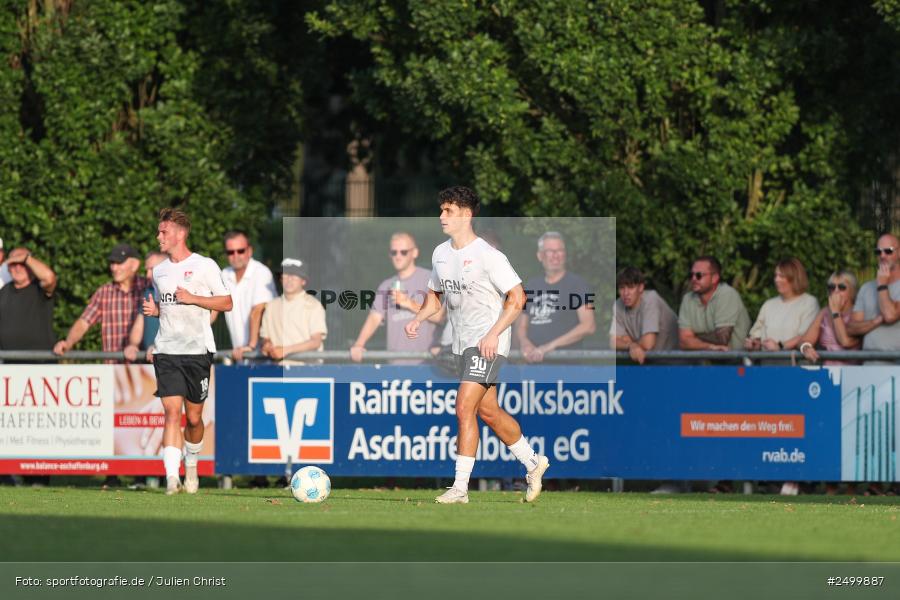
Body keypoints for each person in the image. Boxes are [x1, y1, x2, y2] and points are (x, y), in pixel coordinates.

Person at [406, 186, 549, 504]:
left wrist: (494, 333)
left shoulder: (488, 255)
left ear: (466, 215)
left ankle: (459, 488)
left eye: (449, 211)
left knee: (463, 407)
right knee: (489, 412)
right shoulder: (440, 254)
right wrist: (418, 318)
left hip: (486, 343)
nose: (442, 216)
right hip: (462, 343)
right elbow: (435, 298)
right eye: (441, 210)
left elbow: (518, 297)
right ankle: (533, 463)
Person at [142, 208, 232, 495]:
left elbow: (226, 303)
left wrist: (193, 298)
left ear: (180, 234)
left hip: (197, 351)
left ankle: (191, 462)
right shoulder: (159, 271)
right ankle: (171, 478)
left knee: (194, 419)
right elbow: (169, 307)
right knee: (170, 413)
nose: (159, 236)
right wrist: (156, 311)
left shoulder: (205, 265)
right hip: (167, 350)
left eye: (163, 231)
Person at [350, 233, 439, 364]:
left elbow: (440, 317)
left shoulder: (429, 279)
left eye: (403, 252)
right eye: (394, 252)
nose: (398, 256)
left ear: (414, 253)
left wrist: (408, 303)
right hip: (395, 367)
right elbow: (374, 318)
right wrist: (359, 344)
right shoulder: (386, 285)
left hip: (427, 365)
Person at [54, 243, 150, 357]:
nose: (114, 268)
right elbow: (84, 322)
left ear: (135, 265)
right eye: (112, 263)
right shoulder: (104, 292)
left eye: (119, 263)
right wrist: (68, 343)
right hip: (113, 368)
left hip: (145, 368)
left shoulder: (149, 288)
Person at [516, 232, 596, 362]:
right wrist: (525, 343)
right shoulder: (530, 286)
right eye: (550, 251)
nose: (556, 256)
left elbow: (589, 326)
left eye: (560, 250)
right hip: (534, 368)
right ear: (540, 256)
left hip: (566, 369)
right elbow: (521, 326)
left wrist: (548, 347)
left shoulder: (578, 284)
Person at [219, 230, 277, 361]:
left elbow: (258, 310)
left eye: (240, 251)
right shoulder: (224, 274)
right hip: (242, 355)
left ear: (249, 251)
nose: (235, 255)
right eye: (230, 252)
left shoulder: (261, 272)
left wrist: (251, 346)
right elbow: (213, 309)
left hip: (265, 355)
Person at [744, 258, 819, 355]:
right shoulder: (768, 304)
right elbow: (756, 335)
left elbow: (806, 335)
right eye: (775, 275)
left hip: (794, 366)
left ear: (794, 278)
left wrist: (780, 346)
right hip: (768, 366)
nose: (776, 279)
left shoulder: (809, 303)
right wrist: (754, 344)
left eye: (781, 276)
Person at [260, 258, 327, 364]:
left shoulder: (314, 305)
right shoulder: (271, 306)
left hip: (307, 372)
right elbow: (265, 337)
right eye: (285, 275)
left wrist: (285, 350)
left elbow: (316, 341)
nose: (289, 279)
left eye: (294, 275)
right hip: (277, 371)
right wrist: (267, 344)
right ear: (280, 279)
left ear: (304, 281)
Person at [678, 256, 751, 352]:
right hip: (704, 359)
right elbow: (683, 342)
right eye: (691, 275)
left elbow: (722, 339)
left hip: (735, 360)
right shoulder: (687, 299)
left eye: (699, 275)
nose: (694, 279)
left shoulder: (727, 294)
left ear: (715, 278)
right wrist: (709, 346)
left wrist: (693, 338)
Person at [609, 266, 678, 365]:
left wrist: (627, 342)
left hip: (681, 362)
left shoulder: (651, 299)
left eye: (631, 287)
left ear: (641, 287)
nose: (625, 293)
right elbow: (613, 342)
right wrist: (631, 346)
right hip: (654, 363)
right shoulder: (618, 305)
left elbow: (648, 343)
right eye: (621, 288)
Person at [848, 233, 900, 364]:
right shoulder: (866, 288)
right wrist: (877, 321)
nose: (882, 256)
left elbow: (889, 315)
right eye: (878, 252)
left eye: (888, 251)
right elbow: (852, 328)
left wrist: (882, 284)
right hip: (869, 365)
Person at [0, 247, 57, 352]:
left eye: (22, 264)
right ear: (8, 268)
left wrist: (26, 259)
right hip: (9, 362)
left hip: (40, 362)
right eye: (13, 264)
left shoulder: (39, 288)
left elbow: (49, 278)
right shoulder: (3, 292)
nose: (18, 268)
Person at [799, 270, 861, 365]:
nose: (836, 291)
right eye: (832, 287)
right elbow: (805, 340)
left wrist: (836, 312)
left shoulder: (859, 312)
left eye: (842, 287)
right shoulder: (825, 312)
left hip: (852, 374)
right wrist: (806, 348)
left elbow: (846, 342)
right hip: (828, 374)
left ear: (852, 291)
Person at [124, 251, 168, 363]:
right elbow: (140, 322)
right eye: (147, 270)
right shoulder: (149, 291)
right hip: (151, 362)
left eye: (152, 269)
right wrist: (133, 345)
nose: (148, 275)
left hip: (173, 362)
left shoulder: (176, 292)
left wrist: (159, 345)